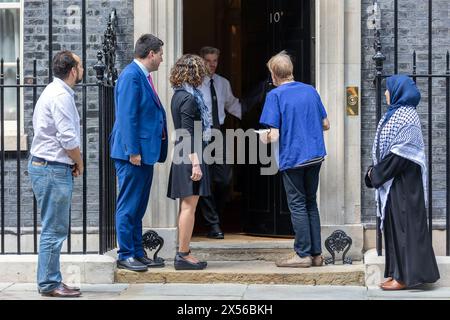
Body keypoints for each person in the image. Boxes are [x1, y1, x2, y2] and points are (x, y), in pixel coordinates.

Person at [365, 74, 440, 290]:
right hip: (395, 184)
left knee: (405, 230)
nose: (386, 93)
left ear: (398, 91)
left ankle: (405, 278)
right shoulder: (394, 114)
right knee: (394, 229)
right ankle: (396, 273)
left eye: (389, 89)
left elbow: (401, 155)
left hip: (405, 186)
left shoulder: (407, 116)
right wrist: (375, 172)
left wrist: (375, 174)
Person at [259, 51, 330, 268]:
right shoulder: (310, 90)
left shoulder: (275, 95)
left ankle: (302, 255)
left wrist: (263, 138)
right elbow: (326, 123)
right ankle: (317, 254)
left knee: (297, 204)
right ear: (290, 71)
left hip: (293, 156)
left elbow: (273, 133)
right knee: (310, 203)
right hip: (316, 155)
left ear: (274, 74)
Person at [110, 34, 168, 272]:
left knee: (138, 206)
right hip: (132, 155)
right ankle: (125, 254)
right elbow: (127, 117)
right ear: (151, 54)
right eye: (161, 55)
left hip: (144, 153)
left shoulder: (142, 76)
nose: (162, 60)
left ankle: (136, 251)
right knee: (128, 205)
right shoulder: (131, 76)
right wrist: (133, 151)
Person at [29, 50, 84, 297]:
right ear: (73, 70)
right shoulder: (61, 95)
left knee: (53, 227)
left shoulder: (54, 91)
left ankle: (50, 280)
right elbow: (67, 137)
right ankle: (50, 283)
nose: (82, 70)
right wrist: (79, 161)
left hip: (49, 166)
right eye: (80, 65)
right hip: (52, 169)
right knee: (54, 229)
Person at [167, 54, 210, 270]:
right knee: (188, 207)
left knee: (187, 206)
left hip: (186, 153)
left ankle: (184, 251)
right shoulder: (189, 98)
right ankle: (182, 255)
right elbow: (185, 133)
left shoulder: (179, 95)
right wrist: (195, 163)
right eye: (201, 71)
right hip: (189, 155)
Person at [197, 46, 244, 239]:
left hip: (218, 134)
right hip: (200, 135)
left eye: (214, 61)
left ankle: (214, 214)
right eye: (208, 61)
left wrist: (258, 110)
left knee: (224, 180)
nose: (212, 65)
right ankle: (213, 224)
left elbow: (233, 105)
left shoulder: (223, 83)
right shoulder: (194, 83)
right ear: (201, 61)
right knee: (204, 180)